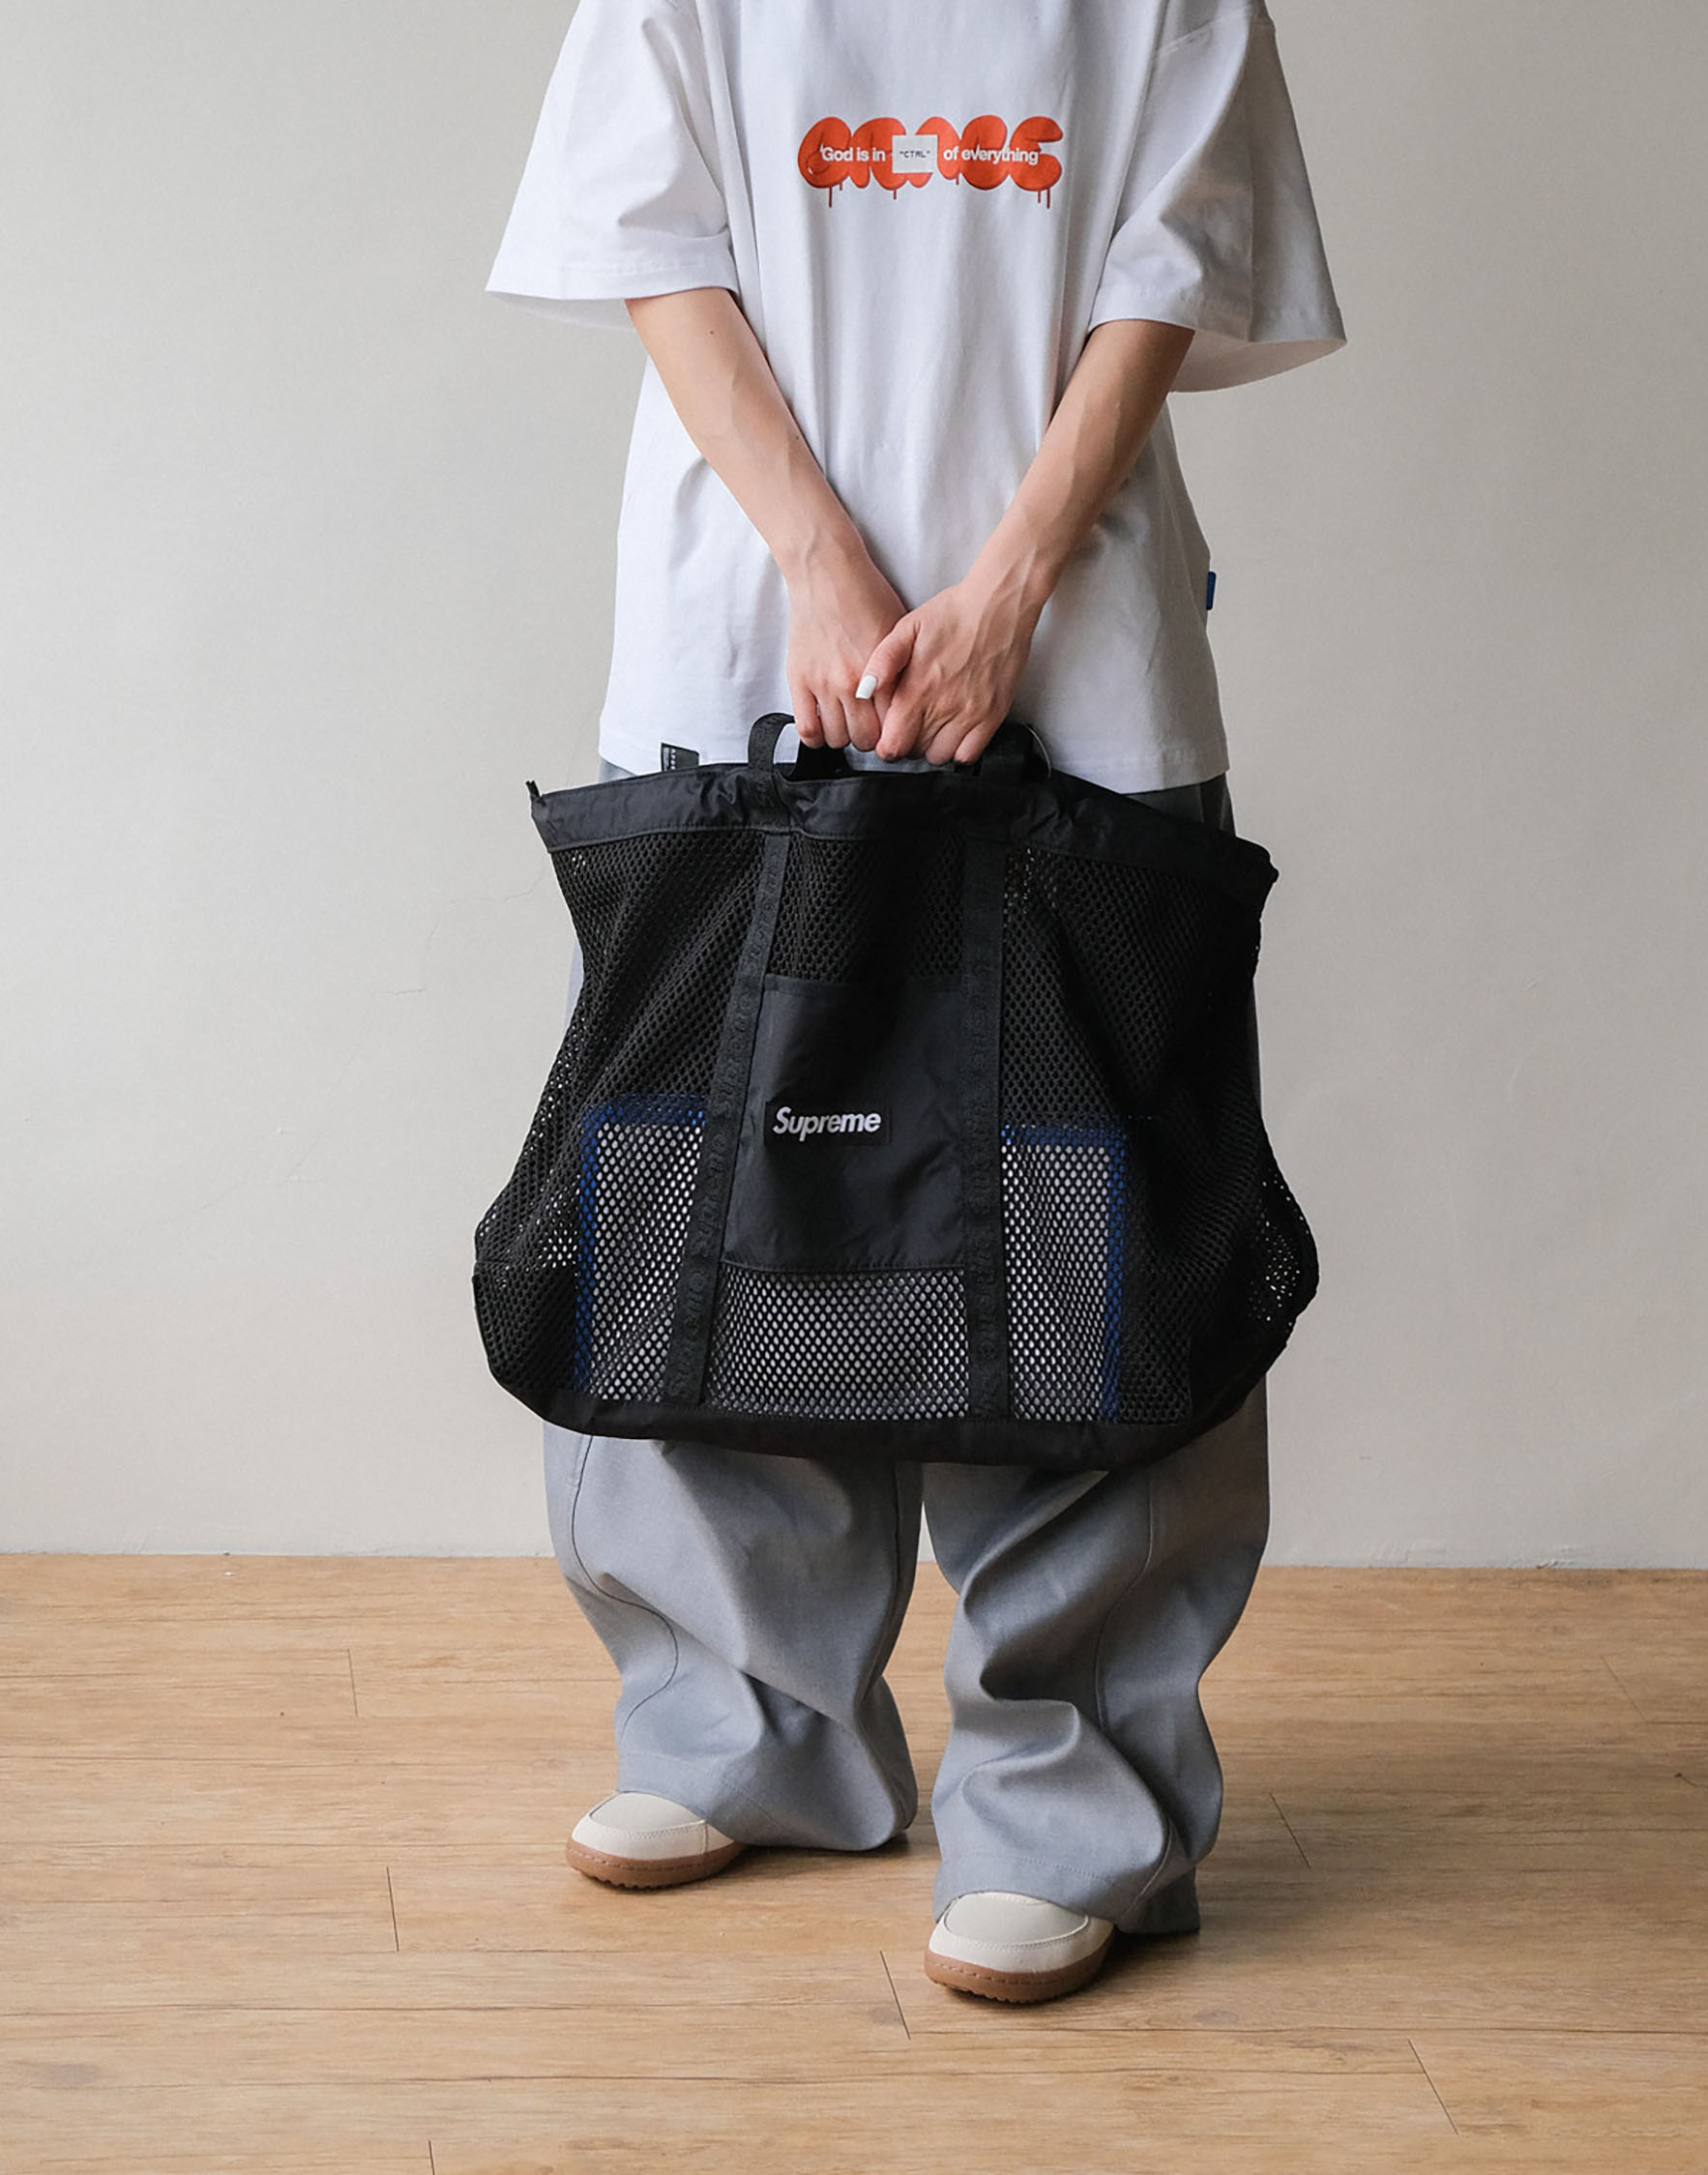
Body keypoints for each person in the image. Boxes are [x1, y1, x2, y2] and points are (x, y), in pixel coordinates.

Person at [485, 0, 1345, 2005]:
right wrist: (819, 561)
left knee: (1086, 1223)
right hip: (739, 635)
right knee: (705, 1195)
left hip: (1079, 646)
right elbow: (654, 235)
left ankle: (1077, 1802)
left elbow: (1170, 264)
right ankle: (741, 1730)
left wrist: (1011, 584)